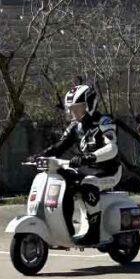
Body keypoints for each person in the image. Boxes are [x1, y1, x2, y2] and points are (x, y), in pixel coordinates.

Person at [37, 84, 122, 242]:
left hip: (110, 171)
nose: (72, 112)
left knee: (88, 185)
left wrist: (89, 157)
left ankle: (94, 231)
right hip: (88, 170)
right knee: (65, 185)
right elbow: (59, 146)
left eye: (77, 108)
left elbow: (112, 149)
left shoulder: (104, 122)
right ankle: (66, 228)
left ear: (89, 105)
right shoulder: (75, 126)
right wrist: (40, 156)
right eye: (71, 108)